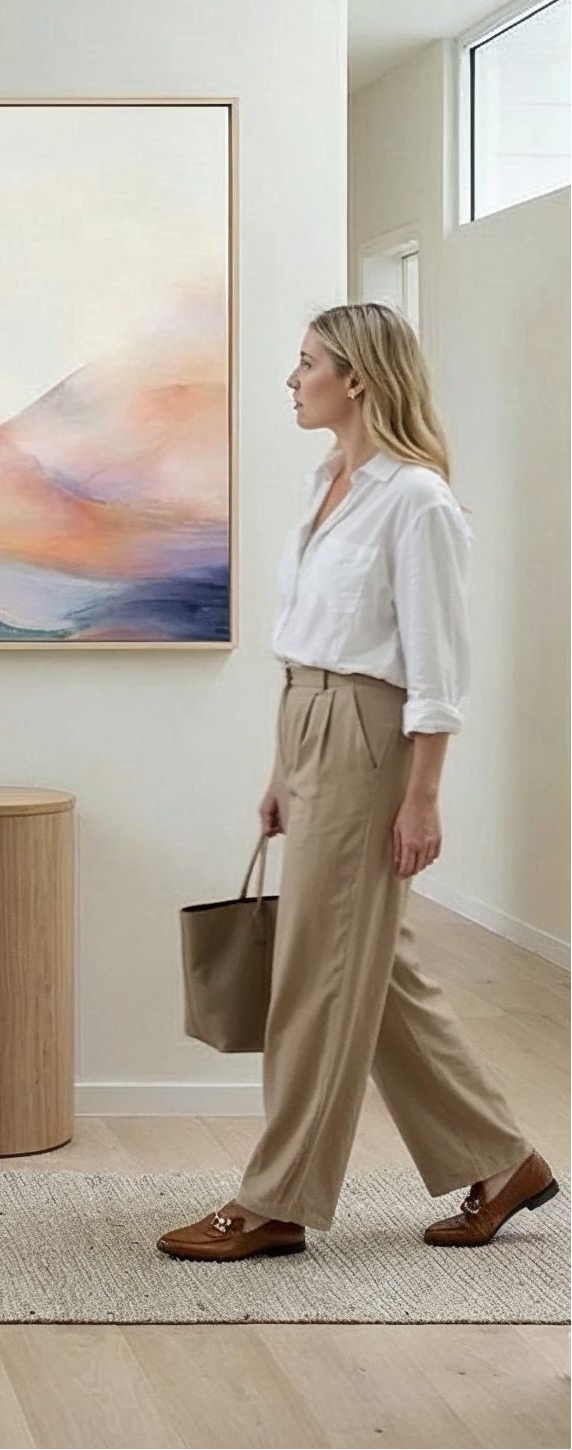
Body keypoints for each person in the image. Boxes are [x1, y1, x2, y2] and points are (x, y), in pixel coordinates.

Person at [158, 302, 558, 1261]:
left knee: (317, 974)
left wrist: (421, 796)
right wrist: (280, 769)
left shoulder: (414, 500)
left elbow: (435, 668)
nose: (291, 381)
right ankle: (500, 1160)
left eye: (305, 365)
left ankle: (276, 1199)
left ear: (358, 379)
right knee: (371, 968)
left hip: (370, 736)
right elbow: (309, 642)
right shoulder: (323, 484)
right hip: (309, 723)